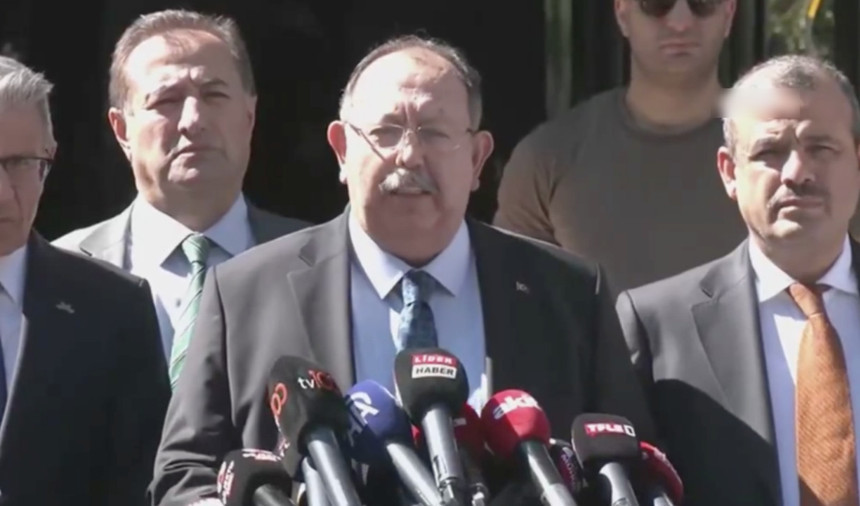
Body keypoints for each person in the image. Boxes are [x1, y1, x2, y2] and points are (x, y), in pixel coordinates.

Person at [151, 34, 655, 505]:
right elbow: (185, 474)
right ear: (342, 149)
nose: (409, 155)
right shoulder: (244, 293)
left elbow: (630, 466)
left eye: (434, 132)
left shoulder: (569, 292)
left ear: (477, 159)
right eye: (386, 132)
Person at [616, 55, 860, 506]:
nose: (797, 173)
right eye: (769, 152)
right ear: (730, 171)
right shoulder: (656, 325)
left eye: (822, 148)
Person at [52, 9, 308, 387]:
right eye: (167, 100)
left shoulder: (323, 262)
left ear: (249, 116)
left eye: (214, 95)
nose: (193, 120)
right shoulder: (58, 271)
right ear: (121, 129)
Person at [0, 56, 169, 505]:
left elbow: (139, 483)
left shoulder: (115, 307)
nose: (2, 194)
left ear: (48, 159)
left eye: (18, 163)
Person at [494, 0, 746, 292]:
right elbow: (513, 301)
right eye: (657, 3)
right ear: (622, 13)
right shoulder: (548, 157)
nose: (680, 22)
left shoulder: (776, 155)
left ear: (728, 14)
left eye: (702, 2)